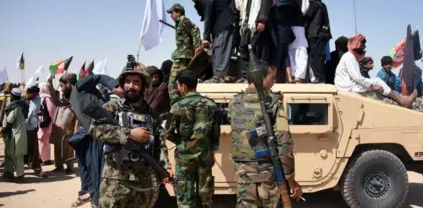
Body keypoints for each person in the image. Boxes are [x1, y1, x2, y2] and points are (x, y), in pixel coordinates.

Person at [89, 57, 172, 208]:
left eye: (136, 82)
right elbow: (95, 130)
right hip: (115, 182)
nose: (131, 86)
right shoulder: (112, 107)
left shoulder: (152, 115)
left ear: (144, 85)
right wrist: (128, 134)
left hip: (143, 183)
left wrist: (165, 167)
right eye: (127, 82)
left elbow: (160, 145)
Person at [227, 60, 302, 206]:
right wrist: (291, 179)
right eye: (271, 78)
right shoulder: (273, 102)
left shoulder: (234, 103)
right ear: (260, 78)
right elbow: (284, 142)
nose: (274, 82)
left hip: (243, 174)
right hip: (267, 174)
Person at [166, 70, 218, 207]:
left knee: (184, 197)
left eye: (177, 85)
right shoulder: (211, 105)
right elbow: (215, 132)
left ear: (183, 86)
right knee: (206, 197)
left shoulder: (176, 106)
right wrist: (212, 151)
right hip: (204, 155)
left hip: (184, 157)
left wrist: (180, 141)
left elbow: (167, 132)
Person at [334, 34, 417, 107]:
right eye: (363, 45)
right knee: (378, 82)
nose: (364, 47)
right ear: (357, 45)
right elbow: (357, 78)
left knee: (378, 83)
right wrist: (372, 87)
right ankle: (402, 101)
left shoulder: (351, 57)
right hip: (347, 87)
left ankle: (401, 99)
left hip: (350, 85)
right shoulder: (349, 57)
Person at [238, 0, 274, 81]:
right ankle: (245, 77)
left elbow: (264, 5)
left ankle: (258, 78)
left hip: (259, 26)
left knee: (258, 52)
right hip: (247, 26)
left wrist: (262, 21)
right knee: (244, 50)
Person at [166, 3, 202, 103]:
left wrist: (197, 46)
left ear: (178, 12)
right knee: (176, 84)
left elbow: (195, 30)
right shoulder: (179, 22)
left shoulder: (183, 20)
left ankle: (177, 104)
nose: (171, 16)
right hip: (181, 55)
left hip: (183, 57)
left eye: (172, 13)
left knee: (173, 84)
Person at [269, 0, 296, 78]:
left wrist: (276, 3)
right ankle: (288, 77)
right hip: (275, 20)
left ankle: (273, 76)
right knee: (281, 48)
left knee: (280, 46)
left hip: (283, 20)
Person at [210, 0, 240, 82]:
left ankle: (221, 77)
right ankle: (218, 77)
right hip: (218, 34)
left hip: (231, 32)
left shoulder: (234, 2)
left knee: (225, 55)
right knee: (218, 55)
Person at [50, 74, 78, 174]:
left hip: (68, 130)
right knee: (57, 148)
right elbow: (54, 97)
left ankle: (70, 167)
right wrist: (50, 82)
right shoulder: (60, 102)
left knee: (68, 149)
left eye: (62, 85)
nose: (61, 88)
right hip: (58, 129)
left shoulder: (75, 97)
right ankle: (59, 166)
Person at [304, 0, 332, 83]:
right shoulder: (322, 5)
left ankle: (319, 78)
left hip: (315, 35)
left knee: (314, 57)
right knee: (318, 56)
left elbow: (307, 18)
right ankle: (319, 78)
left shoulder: (315, 5)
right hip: (321, 35)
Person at [285, 0, 309, 83]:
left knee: (291, 50)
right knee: (300, 48)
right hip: (298, 24)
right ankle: (299, 76)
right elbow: (304, 9)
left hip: (288, 24)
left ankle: (294, 75)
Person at [1, 88, 28, 182]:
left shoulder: (15, 107)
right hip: (20, 133)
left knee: (17, 156)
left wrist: (5, 116)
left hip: (15, 134)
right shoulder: (23, 105)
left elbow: (10, 120)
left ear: (13, 96)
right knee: (10, 154)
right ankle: (9, 172)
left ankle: (20, 176)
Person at [24, 84, 47, 177]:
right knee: (22, 149)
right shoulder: (21, 100)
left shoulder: (37, 99)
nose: (34, 96)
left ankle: (37, 169)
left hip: (32, 128)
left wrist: (41, 112)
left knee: (34, 149)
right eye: (33, 94)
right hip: (22, 128)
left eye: (35, 94)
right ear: (28, 92)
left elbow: (42, 110)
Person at [37, 82, 56, 166]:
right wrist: (53, 120)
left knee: (42, 140)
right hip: (45, 123)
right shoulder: (47, 98)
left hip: (41, 123)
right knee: (44, 141)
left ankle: (42, 158)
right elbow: (52, 110)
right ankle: (45, 159)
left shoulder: (39, 98)